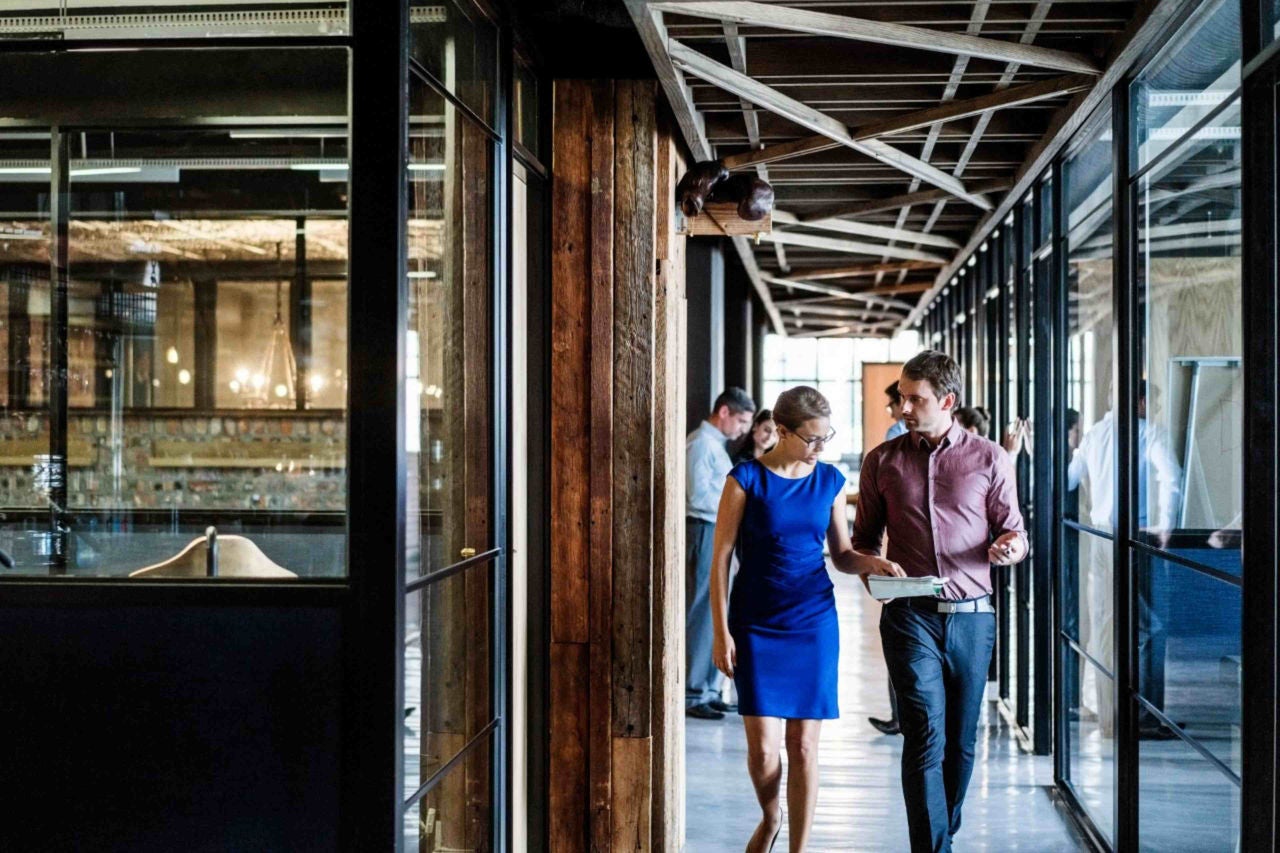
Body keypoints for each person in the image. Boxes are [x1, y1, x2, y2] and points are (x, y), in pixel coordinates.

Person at [710, 386, 904, 852]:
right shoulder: (745, 481)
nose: (822, 447)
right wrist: (721, 633)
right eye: (813, 438)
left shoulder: (831, 482)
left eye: (826, 437)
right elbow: (720, 560)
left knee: (803, 747)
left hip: (812, 620)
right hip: (755, 621)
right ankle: (771, 814)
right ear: (781, 431)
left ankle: (798, 848)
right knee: (761, 749)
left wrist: (870, 562)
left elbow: (840, 555)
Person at [852, 350, 1027, 853]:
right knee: (925, 735)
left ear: (946, 400)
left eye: (915, 398)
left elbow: (1013, 529)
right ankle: (932, 848)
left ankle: (941, 832)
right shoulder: (881, 461)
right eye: (902, 397)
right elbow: (863, 542)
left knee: (960, 744)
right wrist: (873, 567)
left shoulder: (990, 458)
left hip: (974, 619)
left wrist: (1010, 547)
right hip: (909, 619)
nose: (903, 407)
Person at [1066, 381, 1181, 738]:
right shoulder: (1149, 433)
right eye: (1154, 401)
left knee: (1105, 623)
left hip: (1101, 536)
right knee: (1149, 627)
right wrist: (1166, 525)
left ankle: (1109, 713)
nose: (1155, 408)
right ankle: (1144, 716)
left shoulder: (1095, 434)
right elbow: (1172, 479)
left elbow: (1069, 480)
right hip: (1137, 535)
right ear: (1142, 400)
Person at [687, 387, 756, 720]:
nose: (742, 429)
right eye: (741, 420)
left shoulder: (716, 447)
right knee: (703, 611)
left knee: (719, 609)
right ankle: (693, 691)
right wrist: (733, 506)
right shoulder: (701, 445)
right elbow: (697, 496)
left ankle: (709, 688)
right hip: (704, 529)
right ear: (724, 412)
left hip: (717, 529)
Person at [868, 380, 910, 736]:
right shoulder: (892, 444)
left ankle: (901, 715)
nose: (899, 410)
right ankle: (902, 716)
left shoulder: (895, 437)